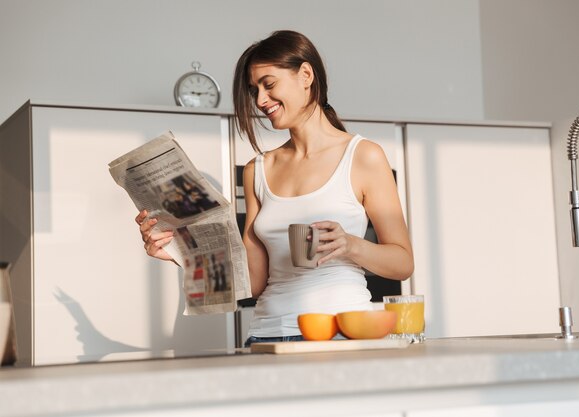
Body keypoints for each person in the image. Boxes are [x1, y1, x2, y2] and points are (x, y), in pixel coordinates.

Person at [136, 30, 414, 346]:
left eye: (269, 85)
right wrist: (176, 252)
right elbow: (253, 282)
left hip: (341, 333)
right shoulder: (258, 170)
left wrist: (350, 244)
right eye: (254, 91)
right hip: (267, 336)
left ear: (306, 75)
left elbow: (403, 263)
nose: (260, 101)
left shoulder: (363, 156)